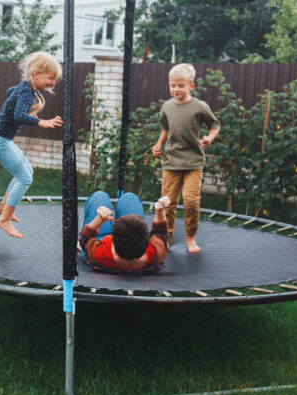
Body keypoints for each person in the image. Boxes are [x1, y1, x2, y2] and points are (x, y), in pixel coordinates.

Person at [0, 51, 63, 238]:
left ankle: (3, 208)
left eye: (54, 79)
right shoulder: (27, 92)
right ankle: (4, 219)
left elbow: (9, 92)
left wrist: (24, 108)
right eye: (50, 78)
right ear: (36, 74)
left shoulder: (25, 88)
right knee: (24, 178)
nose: (53, 83)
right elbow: (18, 115)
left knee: (27, 171)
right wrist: (41, 121)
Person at [151, 63, 220, 254]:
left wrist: (209, 138)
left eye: (181, 86)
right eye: (173, 85)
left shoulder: (199, 106)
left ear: (191, 86)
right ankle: (165, 239)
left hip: (193, 162)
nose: (176, 89)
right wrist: (159, 144)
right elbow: (166, 129)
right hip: (171, 162)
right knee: (167, 204)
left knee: (191, 202)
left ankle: (191, 238)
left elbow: (215, 125)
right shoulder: (167, 107)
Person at [80, 191, 171, 274]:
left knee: (99, 196)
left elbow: (85, 239)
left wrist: (99, 219)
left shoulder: (100, 254)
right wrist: (160, 210)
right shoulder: (154, 255)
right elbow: (160, 235)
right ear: (146, 243)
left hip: (101, 241)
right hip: (128, 246)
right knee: (129, 197)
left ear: (112, 241)